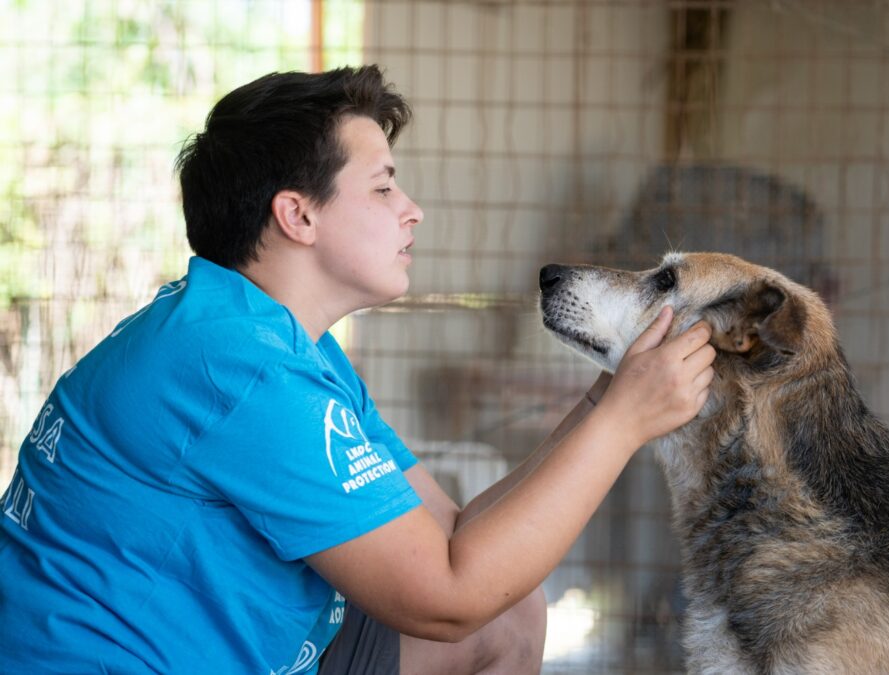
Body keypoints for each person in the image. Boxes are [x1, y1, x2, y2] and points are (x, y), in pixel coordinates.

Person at [0, 65, 716, 674]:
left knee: (508, 616)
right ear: (298, 216)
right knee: (470, 612)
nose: (413, 211)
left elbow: (451, 530)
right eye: (382, 189)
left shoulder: (287, 344)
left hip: (241, 646)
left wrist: (601, 403)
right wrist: (622, 425)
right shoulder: (239, 369)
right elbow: (445, 598)